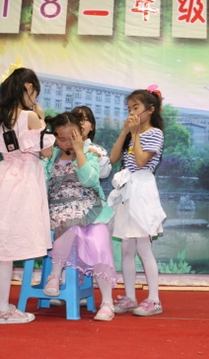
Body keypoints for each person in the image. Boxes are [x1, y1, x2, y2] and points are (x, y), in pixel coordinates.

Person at [0, 66, 54, 325]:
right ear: (28, 88)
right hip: (22, 181)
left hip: (2, 177)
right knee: (5, 248)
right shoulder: (30, 117)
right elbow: (47, 152)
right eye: (35, 92)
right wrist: (42, 119)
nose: (36, 97)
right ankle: (2, 310)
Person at [41, 112, 117, 321]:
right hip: (59, 209)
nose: (67, 144)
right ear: (54, 137)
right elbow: (40, 183)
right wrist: (44, 156)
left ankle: (107, 302)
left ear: (81, 134)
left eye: (72, 138)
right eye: (62, 139)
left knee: (99, 238)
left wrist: (80, 151)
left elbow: (90, 180)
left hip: (91, 208)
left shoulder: (90, 155)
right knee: (71, 221)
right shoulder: (50, 157)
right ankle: (55, 274)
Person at [108, 87, 166, 317]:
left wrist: (134, 134)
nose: (132, 113)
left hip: (142, 189)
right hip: (126, 190)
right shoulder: (131, 133)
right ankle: (130, 297)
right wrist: (125, 131)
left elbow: (141, 162)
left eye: (136, 108)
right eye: (129, 109)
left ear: (150, 110)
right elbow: (113, 158)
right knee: (126, 248)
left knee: (143, 247)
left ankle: (154, 300)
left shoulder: (155, 133)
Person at [71, 105, 112, 179]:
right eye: (77, 119)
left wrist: (97, 157)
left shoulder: (98, 151)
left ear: (92, 127)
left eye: (85, 119)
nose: (81, 122)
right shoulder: (60, 150)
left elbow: (104, 173)